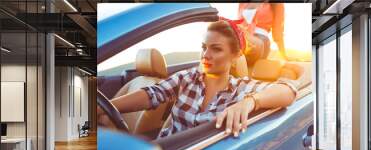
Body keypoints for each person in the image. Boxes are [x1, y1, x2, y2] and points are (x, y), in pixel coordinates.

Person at [98, 19, 298, 139]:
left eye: (216, 49)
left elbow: (288, 90)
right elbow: (152, 94)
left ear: (235, 55)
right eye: (204, 47)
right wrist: (103, 106)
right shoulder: (187, 78)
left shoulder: (240, 89)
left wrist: (249, 102)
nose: (206, 55)